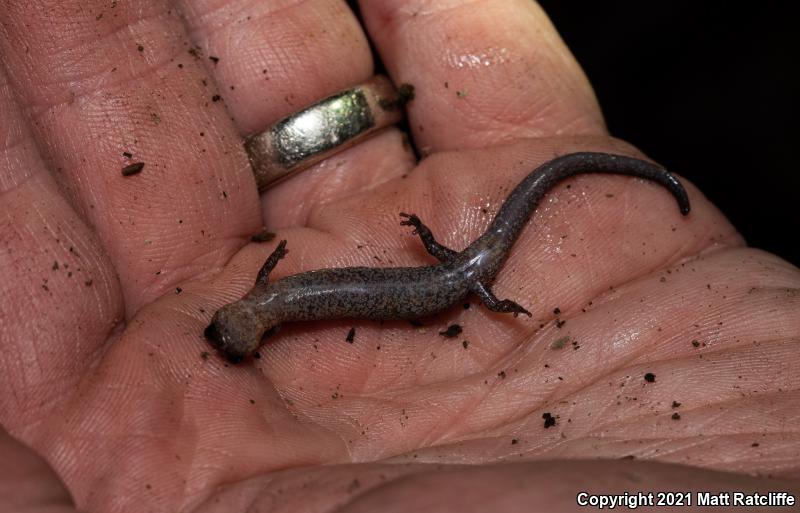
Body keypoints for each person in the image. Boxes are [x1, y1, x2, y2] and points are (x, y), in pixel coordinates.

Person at [1, 1, 797, 511]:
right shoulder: (270, 292)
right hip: (455, 275)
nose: (239, 326)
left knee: (541, 182)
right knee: (521, 204)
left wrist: (473, 282)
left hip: (459, 276)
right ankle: (607, 188)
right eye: (239, 328)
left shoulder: (275, 298)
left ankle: (627, 180)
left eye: (236, 327)